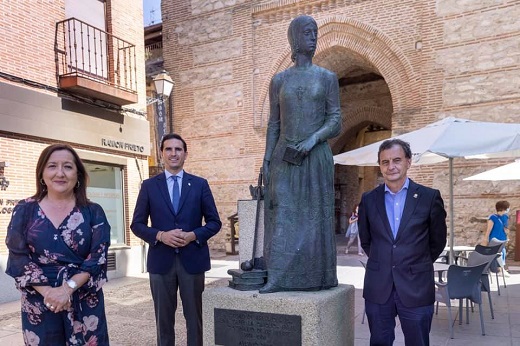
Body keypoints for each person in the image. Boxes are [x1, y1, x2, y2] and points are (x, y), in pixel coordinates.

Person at [260, 15, 341, 294]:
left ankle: (316, 276)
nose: (313, 36)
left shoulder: (327, 77)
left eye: (315, 32)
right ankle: (278, 277)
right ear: (294, 37)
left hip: (315, 156)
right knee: (280, 213)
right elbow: (274, 124)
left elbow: (336, 120)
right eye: (307, 32)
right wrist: (267, 160)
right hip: (284, 156)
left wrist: (312, 140)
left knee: (314, 217)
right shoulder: (279, 80)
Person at [5, 144, 111, 345]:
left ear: (77, 174)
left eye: (68, 167)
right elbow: (18, 256)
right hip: (39, 300)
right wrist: (51, 294)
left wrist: (67, 289)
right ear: (42, 173)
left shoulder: (93, 211)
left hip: (83, 296)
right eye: (52, 166)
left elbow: (98, 256)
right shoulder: (25, 209)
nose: (60, 173)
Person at [131, 133, 222, 346]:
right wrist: (160, 236)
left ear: (185, 154)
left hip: (193, 261)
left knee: (195, 321)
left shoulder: (200, 185)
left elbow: (214, 222)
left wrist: (193, 235)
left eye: (178, 149)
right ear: (162, 154)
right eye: (169, 149)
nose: (174, 153)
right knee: (163, 322)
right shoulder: (149, 186)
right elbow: (137, 224)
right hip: (161, 263)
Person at [358, 139, 447, 346]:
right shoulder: (369, 200)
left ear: (408, 161)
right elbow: (367, 240)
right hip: (379, 287)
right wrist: (387, 260)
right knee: (379, 341)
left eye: (397, 160)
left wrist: (414, 262)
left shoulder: (429, 197)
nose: (391, 167)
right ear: (379, 165)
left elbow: (438, 241)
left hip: (416, 287)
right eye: (385, 162)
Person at [481, 200, 510, 276]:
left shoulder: (505, 217)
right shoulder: (492, 217)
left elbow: (505, 228)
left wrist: (507, 236)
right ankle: (500, 269)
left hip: (502, 238)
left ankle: (501, 269)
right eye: (507, 208)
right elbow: (489, 229)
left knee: (502, 252)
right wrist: (486, 238)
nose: (508, 209)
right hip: (494, 238)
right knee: (498, 253)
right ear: (503, 208)